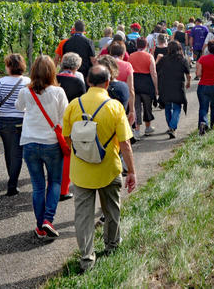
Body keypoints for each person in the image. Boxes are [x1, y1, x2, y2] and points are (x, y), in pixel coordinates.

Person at [62, 65, 137, 272]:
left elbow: (67, 137)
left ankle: (87, 258)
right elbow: (125, 143)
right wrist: (131, 171)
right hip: (109, 168)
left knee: (83, 216)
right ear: (107, 83)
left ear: (87, 81)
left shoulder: (73, 105)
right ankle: (111, 246)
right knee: (112, 210)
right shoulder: (114, 107)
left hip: (81, 170)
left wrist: (83, 151)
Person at [15, 55, 69, 238]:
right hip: (51, 143)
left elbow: (18, 107)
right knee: (54, 181)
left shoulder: (25, 91)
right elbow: (65, 116)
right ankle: (48, 219)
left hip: (29, 141)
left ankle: (40, 226)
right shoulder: (58, 93)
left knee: (38, 186)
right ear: (52, 71)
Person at [0, 54, 30, 196]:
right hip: (21, 120)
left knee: (8, 150)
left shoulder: (2, 81)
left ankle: (11, 180)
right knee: (17, 152)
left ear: (9, 66)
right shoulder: (27, 81)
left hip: (4, 121)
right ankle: (12, 183)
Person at [55, 52, 85, 201]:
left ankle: (53, 185)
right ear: (77, 66)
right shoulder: (78, 82)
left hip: (54, 121)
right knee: (68, 154)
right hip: (71, 122)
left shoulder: (54, 79)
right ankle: (63, 188)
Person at [156, 42, 191, 138]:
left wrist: (158, 59)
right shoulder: (182, 60)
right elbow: (188, 74)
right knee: (177, 107)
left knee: (167, 107)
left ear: (169, 49)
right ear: (179, 49)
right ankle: (172, 127)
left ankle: (171, 127)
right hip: (178, 86)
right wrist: (188, 82)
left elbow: (156, 70)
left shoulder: (163, 59)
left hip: (165, 86)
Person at [129, 37, 158, 137]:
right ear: (146, 45)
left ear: (137, 45)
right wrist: (156, 87)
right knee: (147, 106)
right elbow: (153, 73)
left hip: (135, 82)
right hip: (147, 83)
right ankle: (148, 127)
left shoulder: (131, 56)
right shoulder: (149, 56)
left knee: (136, 107)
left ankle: (137, 130)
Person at [108, 42, 136, 121]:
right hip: (122, 99)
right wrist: (132, 110)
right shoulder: (127, 65)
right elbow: (131, 89)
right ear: (123, 54)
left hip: (106, 98)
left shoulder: (104, 64)